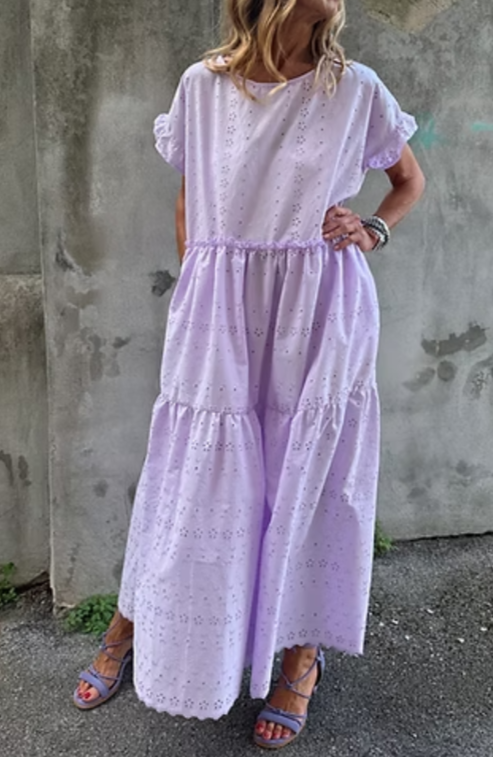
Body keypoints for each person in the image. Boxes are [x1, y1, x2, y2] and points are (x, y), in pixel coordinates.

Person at [74, 0, 425, 748]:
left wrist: (372, 228)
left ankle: (300, 657)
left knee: (311, 477)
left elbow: (407, 180)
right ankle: (134, 625)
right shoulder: (201, 86)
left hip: (320, 312)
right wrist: (198, 293)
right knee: (191, 475)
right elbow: (189, 200)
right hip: (219, 313)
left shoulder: (355, 88)